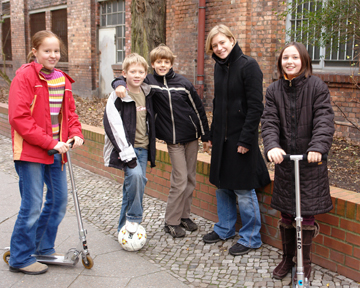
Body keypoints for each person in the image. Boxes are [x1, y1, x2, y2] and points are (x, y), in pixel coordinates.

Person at [112, 44, 210, 238]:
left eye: (166, 62)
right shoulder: (148, 81)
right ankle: (171, 221)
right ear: (153, 64)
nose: (163, 65)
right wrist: (118, 85)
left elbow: (198, 109)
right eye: (159, 62)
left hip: (191, 137)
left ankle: (184, 216)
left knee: (190, 179)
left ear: (171, 63)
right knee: (179, 179)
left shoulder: (184, 83)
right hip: (173, 140)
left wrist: (205, 136)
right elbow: (124, 78)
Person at [8, 30, 84, 275]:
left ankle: (41, 247)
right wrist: (48, 142)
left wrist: (76, 133)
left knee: (58, 201)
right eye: (47, 51)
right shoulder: (24, 77)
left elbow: (69, 114)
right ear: (35, 52)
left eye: (56, 51)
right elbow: (18, 118)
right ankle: (19, 257)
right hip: (31, 151)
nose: (53, 55)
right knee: (31, 205)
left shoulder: (62, 79)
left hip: (56, 151)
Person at [261, 42, 334, 280]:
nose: (289, 62)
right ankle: (286, 258)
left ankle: (305, 261)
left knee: (307, 213)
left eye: (294, 57)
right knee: (286, 213)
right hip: (286, 163)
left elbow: (324, 119)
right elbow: (269, 122)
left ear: (303, 60)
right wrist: (272, 146)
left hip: (310, 162)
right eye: (285, 58)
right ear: (280, 62)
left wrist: (317, 148)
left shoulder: (317, 86)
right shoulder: (274, 90)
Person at [202, 24, 271, 256]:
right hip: (221, 139)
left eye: (223, 42)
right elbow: (217, 103)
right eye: (215, 45)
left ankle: (251, 238)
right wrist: (211, 134)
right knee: (222, 186)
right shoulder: (219, 67)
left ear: (232, 40)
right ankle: (224, 229)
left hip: (241, 139)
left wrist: (246, 140)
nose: (219, 48)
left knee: (243, 189)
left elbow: (255, 107)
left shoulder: (248, 66)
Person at [103, 53, 156, 235]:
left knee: (133, 186)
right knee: (135, 178)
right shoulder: (119, 95)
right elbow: (112, 125)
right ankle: (134, 218)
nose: (137, 75)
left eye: (140, 71)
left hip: (144, 148)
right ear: (124, 73)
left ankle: (122, 229)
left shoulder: (147, 92)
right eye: (132, 71)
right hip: (127, 148)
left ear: (145, 74)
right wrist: (126, 153)